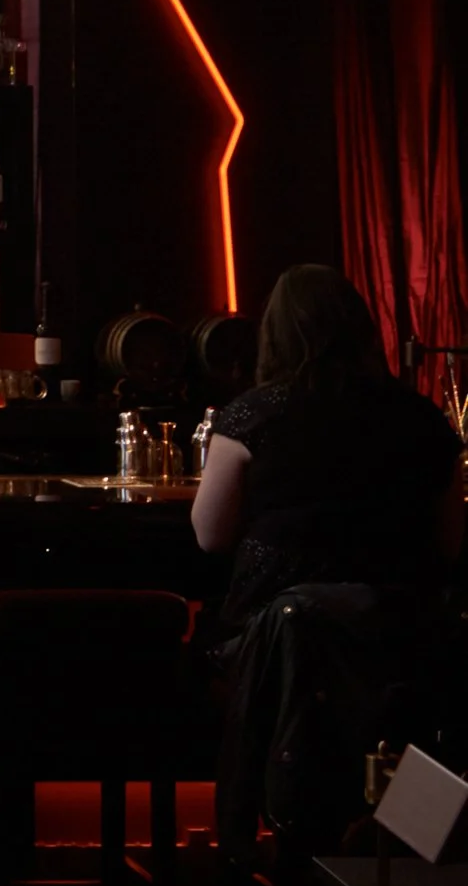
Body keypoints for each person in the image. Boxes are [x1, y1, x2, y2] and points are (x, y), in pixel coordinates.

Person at [196, 263, 464, 634]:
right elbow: (450, 544)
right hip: (400, 635)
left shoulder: (252, 416)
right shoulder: (422, 417)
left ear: (274, 336)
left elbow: (210, 537)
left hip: (279, 630)